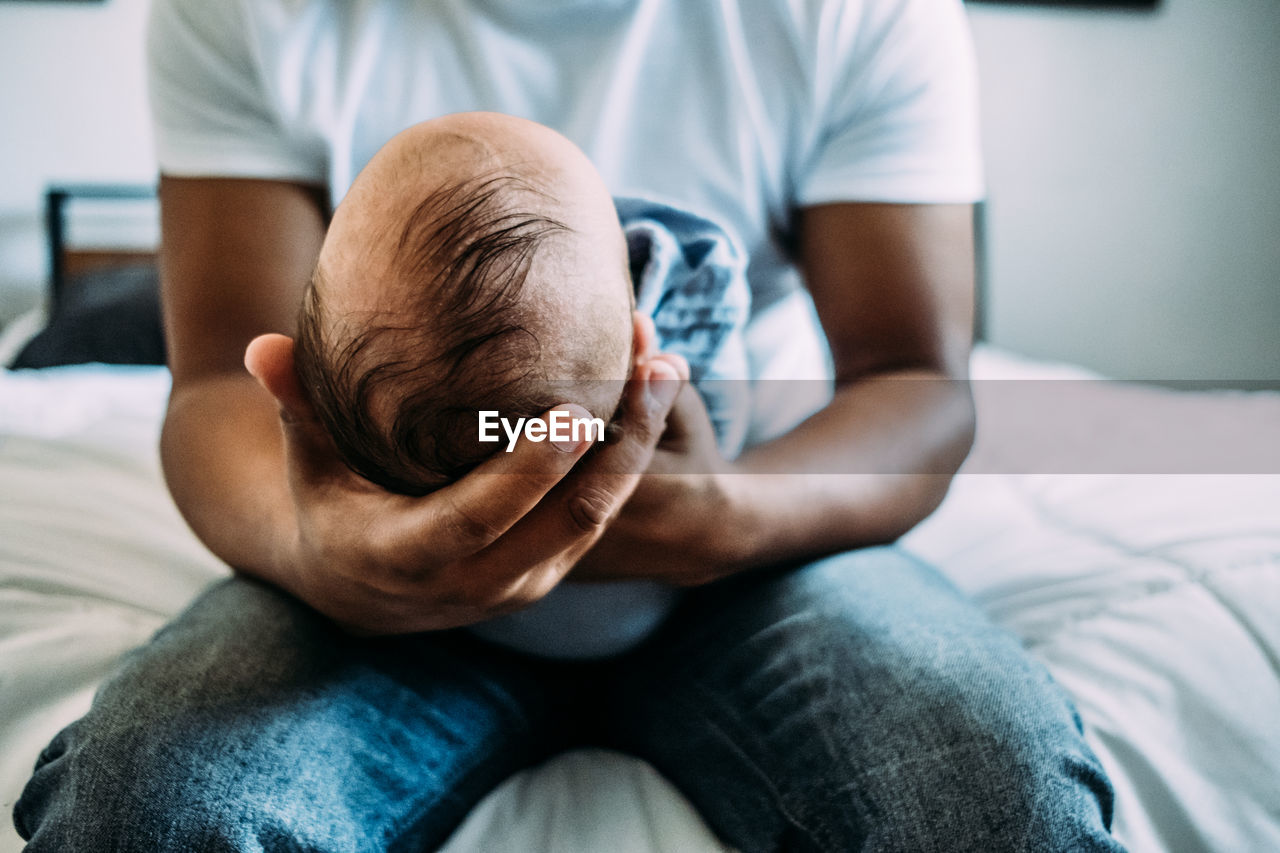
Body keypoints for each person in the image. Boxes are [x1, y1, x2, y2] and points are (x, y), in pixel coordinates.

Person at [14, 0, 1128, 850]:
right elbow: (221, 377)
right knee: (146, 805)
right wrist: (326, 552)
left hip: (757, 545)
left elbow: (915, 381)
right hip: (379, 572)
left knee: (998, 795)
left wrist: (725, 516)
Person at [288, 110, 753, 657]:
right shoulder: (693, 341)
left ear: (308, 387)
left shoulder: (366, 438)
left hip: (431, 640)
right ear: (641, 347)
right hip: (680, 624)